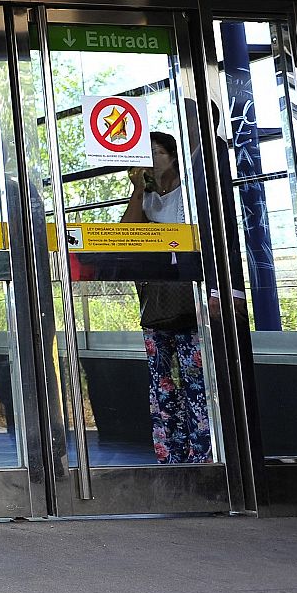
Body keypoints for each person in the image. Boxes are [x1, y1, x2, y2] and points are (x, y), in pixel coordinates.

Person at [122, 130, 210, 464]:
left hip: (189, 299)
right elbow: (126, 234)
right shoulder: (146, 198)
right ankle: (170, 453)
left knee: (194, 378)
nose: (150, 160)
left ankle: (202, 452)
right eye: (144, 154)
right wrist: (137, 189)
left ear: (173, 156)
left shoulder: (188, 194)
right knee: (161, 382)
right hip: (156, 301)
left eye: (156, 153)